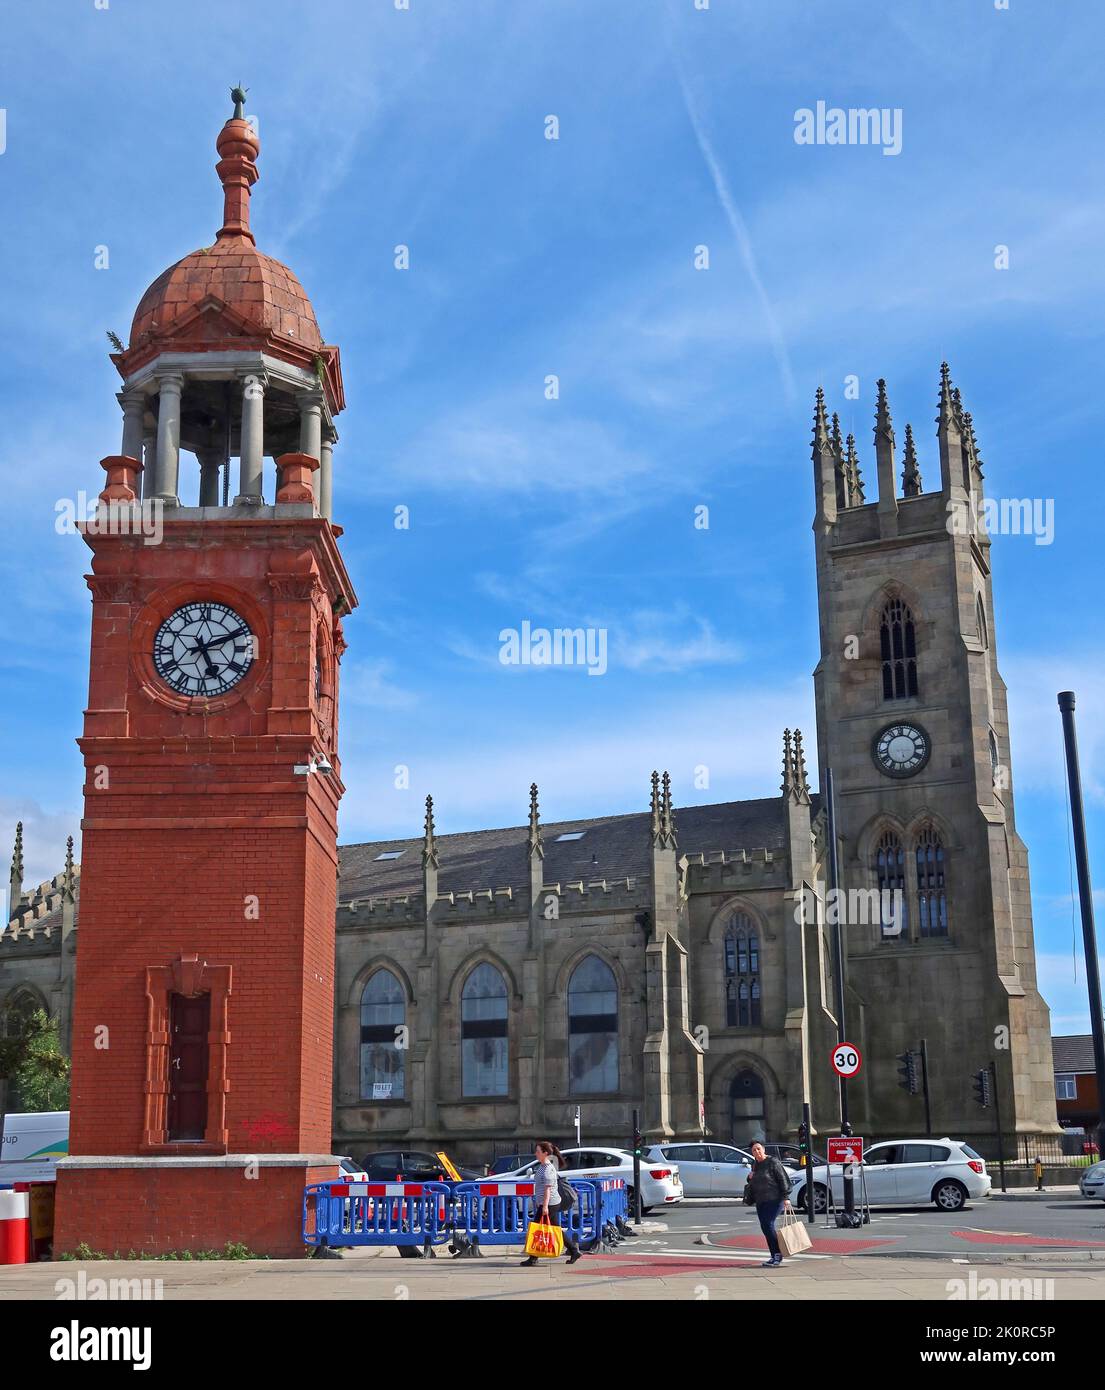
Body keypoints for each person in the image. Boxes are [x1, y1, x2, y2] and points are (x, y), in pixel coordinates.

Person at [520, 1140, 582, 1266]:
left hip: (550, 1203)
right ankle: (574, 1250)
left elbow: (548, 1189)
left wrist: (545, 1206)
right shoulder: (543, 1166)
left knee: (536, 1228)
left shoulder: (548, 1169)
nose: (535, 1154)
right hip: (547, 1203)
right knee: (554, 1228)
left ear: (545, 1153)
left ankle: (533, 1258)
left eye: (538, 1151)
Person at [746, 1140, 792, 1267]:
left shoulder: (773, 1162)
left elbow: (783, 1179)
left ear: (764, 1149)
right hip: (761, 1200)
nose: (757, 1152)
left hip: (775, 1199)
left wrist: (786, 1197)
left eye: (758, 1149)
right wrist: (749, 1177)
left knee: (768, 1224)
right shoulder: (754, 1164)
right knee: (765, 1227)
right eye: (754, 1150)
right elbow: (753, 1180)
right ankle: (773, 1255)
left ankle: (778, 1254)